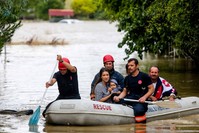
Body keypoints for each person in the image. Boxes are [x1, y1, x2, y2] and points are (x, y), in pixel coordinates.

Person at [113, 58, 154, 123]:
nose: (129, 67)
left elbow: (151, 88)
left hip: (140, 100)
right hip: (130, 98)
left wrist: (144, 97)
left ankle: (140, 127)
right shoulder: (127, 78)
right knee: (115, 101)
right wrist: (118, 97)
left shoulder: (144, 76)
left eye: (132, 65)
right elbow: (125, 91)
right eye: (128, 65)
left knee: (139, 110)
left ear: (137, 66)